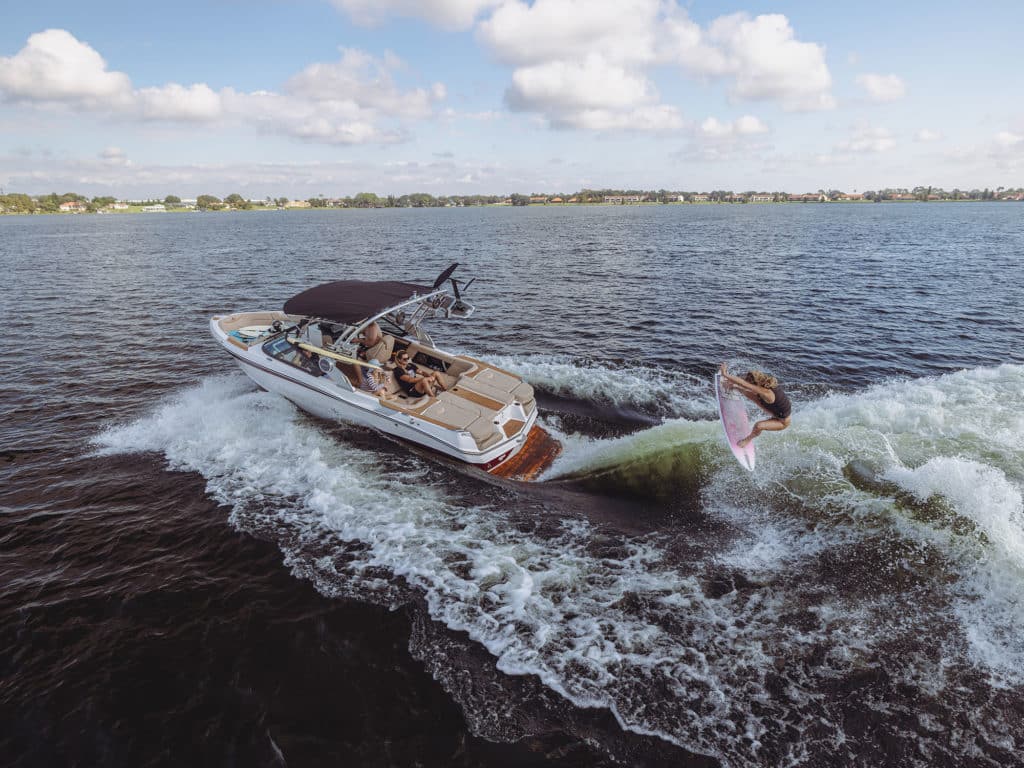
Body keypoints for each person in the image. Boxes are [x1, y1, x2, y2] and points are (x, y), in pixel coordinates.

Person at [719, 362, 791, 447]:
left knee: (759, 425)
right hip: (774, 411)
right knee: (749, 394)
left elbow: (744, 384)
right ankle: (733, 387)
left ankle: (747, 440)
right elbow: (745, 383)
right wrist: (733, 383)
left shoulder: (766, 393)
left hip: (782, 422)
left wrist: (725, 374)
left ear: (756, 385)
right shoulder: (763, 383)